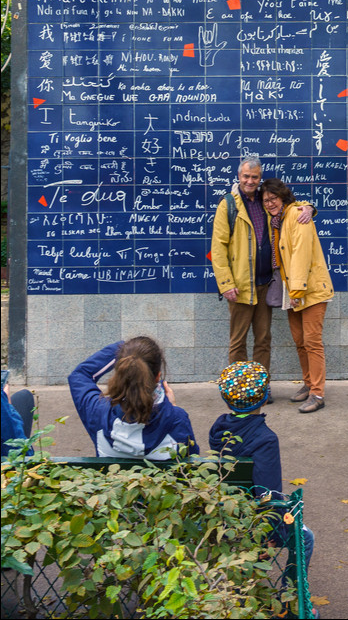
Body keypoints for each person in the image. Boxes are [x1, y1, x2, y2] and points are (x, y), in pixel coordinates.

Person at [209, 156, 313, 403]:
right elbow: (218, 246)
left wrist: (309, 207)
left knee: (264, 340)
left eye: (255, 177)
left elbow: (291, 204)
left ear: (260, 178)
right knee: (238, 342)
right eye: (246, 176)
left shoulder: (267, 199)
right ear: (239, 176)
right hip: (240, 287)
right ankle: (238, 392)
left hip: (266, 284)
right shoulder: (228, 205)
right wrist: (226, 284)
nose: (250, 181)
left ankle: (260, 389)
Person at [210, 361, 315, 567]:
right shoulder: (265, 439)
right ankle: (290, 593)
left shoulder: (217, 429)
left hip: (224, 512)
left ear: (226, 399)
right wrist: (273, 535)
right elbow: (268, 492)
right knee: (306, 537)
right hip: (251, 519)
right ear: (265, 399)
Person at [260, 178, 333, 414]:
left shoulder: (298, 216)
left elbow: (301, 254)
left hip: (308, 290)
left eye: (273, 198)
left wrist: (297, 291)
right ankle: (309, 384)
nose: (270, 203)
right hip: (291, 289)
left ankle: (318, 393)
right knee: (300, 342)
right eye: (266, 200)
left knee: (312, 342)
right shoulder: (277, 221)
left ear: (283, 197)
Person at [68, 338, 198, 459]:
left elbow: (79, 375)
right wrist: (173, 408)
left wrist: (122, 349)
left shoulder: (98, 412)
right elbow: (191, 464)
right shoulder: (178, 420)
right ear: (158, 377)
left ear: (120, 373)